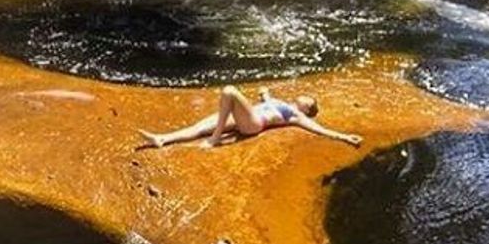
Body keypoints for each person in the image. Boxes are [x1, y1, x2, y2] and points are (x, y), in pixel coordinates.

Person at [138, 85, 362, 149]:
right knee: (199, 127)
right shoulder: (281, 103)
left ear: (306, 109)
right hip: (248, 115)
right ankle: (162, 139)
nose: (305, 97)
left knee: (229, 91)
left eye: (309, 101)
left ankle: (216, 138)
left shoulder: (295, 115)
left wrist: (345, 137)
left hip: (254, 124)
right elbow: (267, 100)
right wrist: (265, 94)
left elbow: (320, 129)